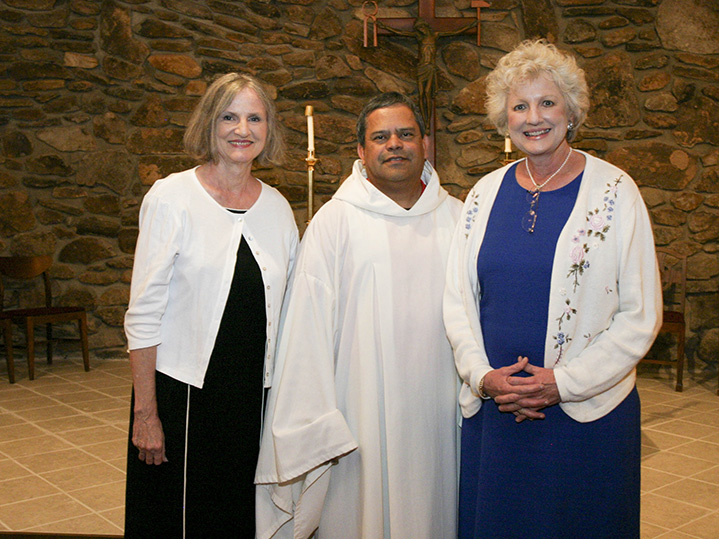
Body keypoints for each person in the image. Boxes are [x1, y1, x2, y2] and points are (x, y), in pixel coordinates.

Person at [443, 39, 662, 539]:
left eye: (547, 102)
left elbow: (640, 315)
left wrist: (562, 384)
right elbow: (457, 300)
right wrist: (483, 376)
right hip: (499, 412)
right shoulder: (482, 194)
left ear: (571, 110)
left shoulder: (615, 192)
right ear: (504, 117)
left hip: (585, 417)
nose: (533, 117)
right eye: (519, 105)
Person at [255, 92, 462, 539]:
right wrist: (313, 421)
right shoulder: (335, 223)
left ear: (425, 144)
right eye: (381, 137)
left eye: (406, 134)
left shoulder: (459, 219)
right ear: (361, 151)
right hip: (358, 412)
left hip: (439, 413)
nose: (395, 145)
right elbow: (305, 331)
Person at [123, 72, 298, 538]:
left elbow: (293, 310)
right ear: (209, 123)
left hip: (253, 397)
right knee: (180, 520)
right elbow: (142, 315)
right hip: (184, 397)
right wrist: (147, 413)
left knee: (240, 516)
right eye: (229, 116)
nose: (242, 129)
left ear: (268, 128)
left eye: (254, 118)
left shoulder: (278, 208)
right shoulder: (171, 197)